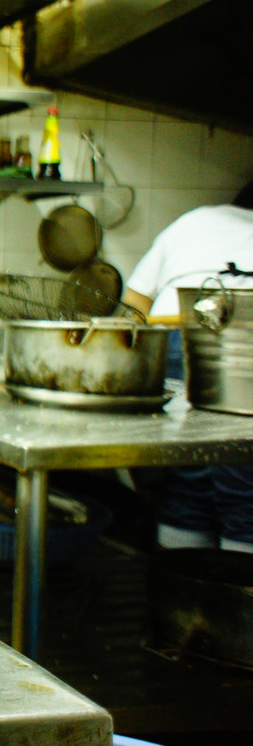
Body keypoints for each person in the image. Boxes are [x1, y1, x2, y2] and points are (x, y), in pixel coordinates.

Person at [123, 177, 253, 553]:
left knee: (185, 473)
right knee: (243, 481)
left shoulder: (195, 220)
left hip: (177, 336)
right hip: (242, 345)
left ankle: (182, 583)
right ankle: (233, 587)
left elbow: (134, 305)